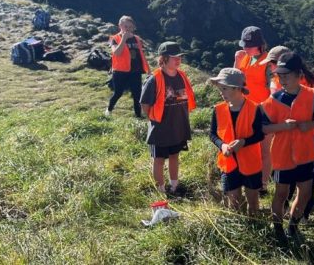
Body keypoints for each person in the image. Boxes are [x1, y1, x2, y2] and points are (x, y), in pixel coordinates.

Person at [261, 53, 314, 241]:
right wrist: (283, 126)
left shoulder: (311, 95)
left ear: (298, 75)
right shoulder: (274, 99)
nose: (282, 80)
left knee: (304, 193)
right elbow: (264, 127)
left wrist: (308, 125)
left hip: (305, 154)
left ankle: (293, 227)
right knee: (281, 193)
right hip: (282, 155)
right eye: (279, 76)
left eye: (286, 75)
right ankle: (278, 229)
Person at [140, 42, 196, 193]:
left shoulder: (182, 76)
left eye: (179, 57)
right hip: (161, 127)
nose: (178, 60)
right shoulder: (154, 79)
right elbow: (145, 104)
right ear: (164, 59)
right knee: (158, 160)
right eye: (174, 57)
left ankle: (174, 186)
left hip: (178, 125)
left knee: (174, 156)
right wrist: (154, 119)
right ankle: (161, 190)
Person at [209, 68, 265, 214]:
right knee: (234, 205)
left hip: (251, 162)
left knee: (253, 203)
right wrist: (223, 146)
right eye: (220, 88)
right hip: (228, 163)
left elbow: (260, 134)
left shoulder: (255, 108)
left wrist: (243, 142)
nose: (221, 92)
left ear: (237, 88)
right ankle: (241, 229)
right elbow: (212, 135)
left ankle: (255, 227)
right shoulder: (218, 109)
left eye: (225, 88)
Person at [234, 26, 274, 191]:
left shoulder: (268, 62)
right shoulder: (243, 57)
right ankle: (248, 179)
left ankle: (263, 185)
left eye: (248, 46)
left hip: (264, 111)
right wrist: (236, 62)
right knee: (248, 149)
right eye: (244, 45)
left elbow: (274, 89)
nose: (245, 48)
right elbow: (234, 81)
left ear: (260, 45)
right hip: (245, 110)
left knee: (265, 149)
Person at [107, 15, 149, 117]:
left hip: (135, 70)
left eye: (131, 27)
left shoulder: (137, 39)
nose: (129, 29)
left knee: (137, 94)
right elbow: (116, 53)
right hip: (120, 71)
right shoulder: (114, 38)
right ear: (120, 26)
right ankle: (109, 110)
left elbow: (141, 55)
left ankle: (138, 116)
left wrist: (149, 70)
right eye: (126, 26)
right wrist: (124, 39)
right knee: (118, 93)